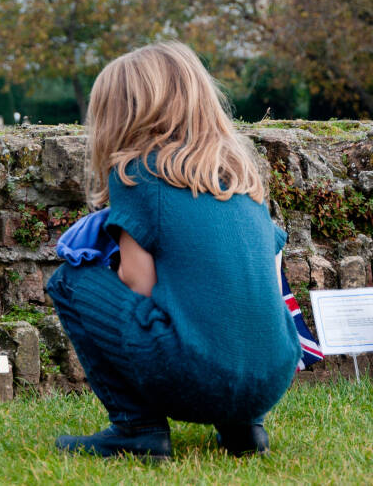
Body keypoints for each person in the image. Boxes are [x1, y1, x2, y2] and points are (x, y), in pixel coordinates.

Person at [46, 42, 301, 461]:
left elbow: (138, 283)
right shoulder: (241, 179)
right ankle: (244, 431)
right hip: (271, 377)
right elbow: (266, 282)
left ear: (122, 113)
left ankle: (136, 429)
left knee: (71, 282)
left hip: (197, 376)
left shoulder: (136, 174)